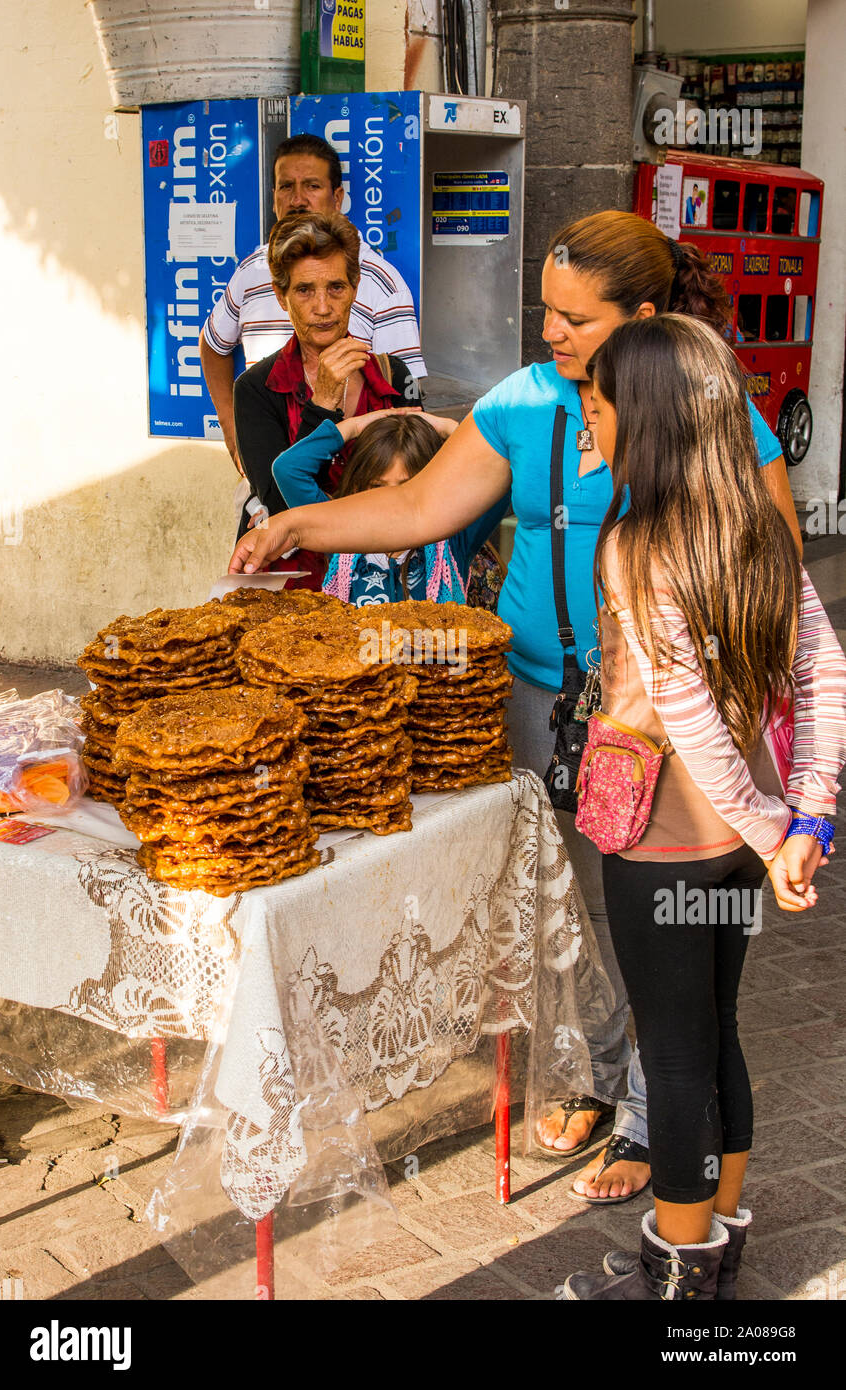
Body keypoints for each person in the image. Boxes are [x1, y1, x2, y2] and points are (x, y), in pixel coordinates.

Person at [228, 212, 803, 1187]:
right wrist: (298, 524)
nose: (550, 334)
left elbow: (776, 576)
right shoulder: (524, 401)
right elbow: (417, 506)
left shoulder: (709, 410)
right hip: (538, 699)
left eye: (575, 318)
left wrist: (763, 753)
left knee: (666, 930)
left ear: (645, 318)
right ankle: (593, 1069)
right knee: (558, 904)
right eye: (545, 311)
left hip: (660, 719)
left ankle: (649, 1120)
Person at [558, 314, 846, 1299]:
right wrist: (800, 821)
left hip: (666, 844)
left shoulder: (637, 545)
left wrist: (782, 836)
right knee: (714, 1028)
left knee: (673, 1050)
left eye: (593, 403)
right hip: (736, 847)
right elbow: (824, 669)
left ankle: (673, 1281)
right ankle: (716, 1240)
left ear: (641, 415)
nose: (583, 419)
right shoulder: (756, 526)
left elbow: (686, 723)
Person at [200, 134, 425, 477]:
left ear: (337, 198)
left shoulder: (382, 280)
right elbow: (212, 343)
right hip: (269, 478)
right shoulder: (250, 272)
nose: (298, 199)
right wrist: (233, 431)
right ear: (281, 293)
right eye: (286, 187)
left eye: (312, 186)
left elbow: (409, 422)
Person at [232, 211, 421, 589]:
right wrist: (322, 405)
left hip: (379, 584)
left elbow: (420, 493)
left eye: (336, 287)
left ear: (355, 287)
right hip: (294, 585)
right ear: (281, 297)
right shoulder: (255, 389)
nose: (322, 307)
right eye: (304, 290)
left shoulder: (394, 376)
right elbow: (280, 507)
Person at [272, 410, 509, 605]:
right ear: (356, 488)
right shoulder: (341, 533)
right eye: (377, 486)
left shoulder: (454, 537)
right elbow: (288, 469)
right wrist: (353, 427)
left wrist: (448, 427)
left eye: (408, 488)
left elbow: (502, 466)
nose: (392, 500)